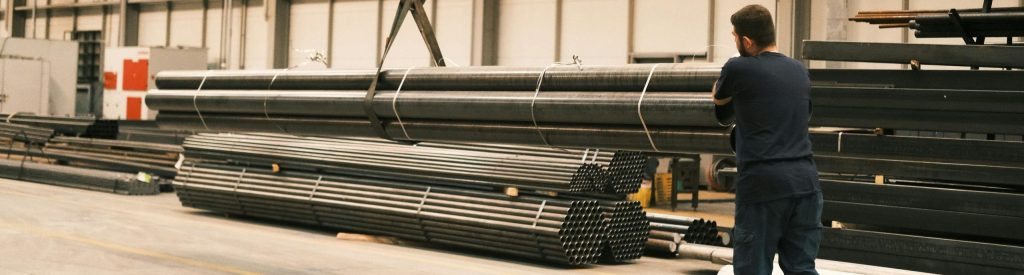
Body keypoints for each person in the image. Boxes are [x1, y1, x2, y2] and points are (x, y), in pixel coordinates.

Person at [710, 4, 823, 275]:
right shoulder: (799, 70)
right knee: (802, 269)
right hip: (806, 185)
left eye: (735, 37)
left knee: (752, 269)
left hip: (764, 186)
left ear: (747, 41)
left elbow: (719, 101)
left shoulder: (738, 67)